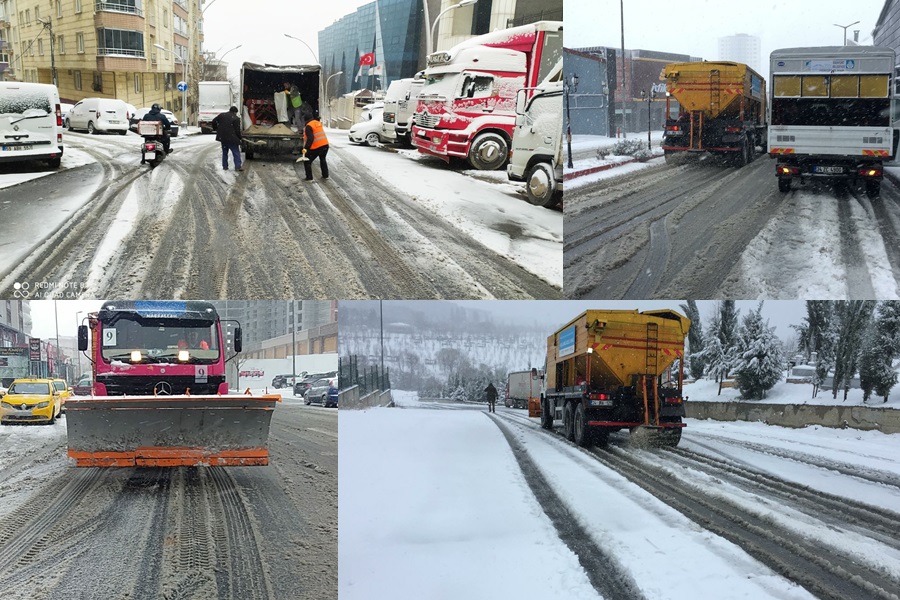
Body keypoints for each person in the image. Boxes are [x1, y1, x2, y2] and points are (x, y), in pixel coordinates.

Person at [212, 106, 243, 171]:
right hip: (232, 138)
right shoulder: (236, 118)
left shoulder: (222, 115)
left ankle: (225, 166)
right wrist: (240, 137)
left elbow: (213, 121)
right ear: (235, 112)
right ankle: (238, 166)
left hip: (223, 138)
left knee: (224, 152)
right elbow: (237, 130)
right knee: (236, 152)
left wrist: (215, 128)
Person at [300, 113, 329, 180]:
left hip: (318, 147)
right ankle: (325, 175)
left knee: (307, 161)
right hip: (325, 145)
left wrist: (306, 148)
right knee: (323, 159)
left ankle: (309, 177)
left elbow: (310, 139)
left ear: (305, 120)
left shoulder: (308, 126)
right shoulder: (317, 123)